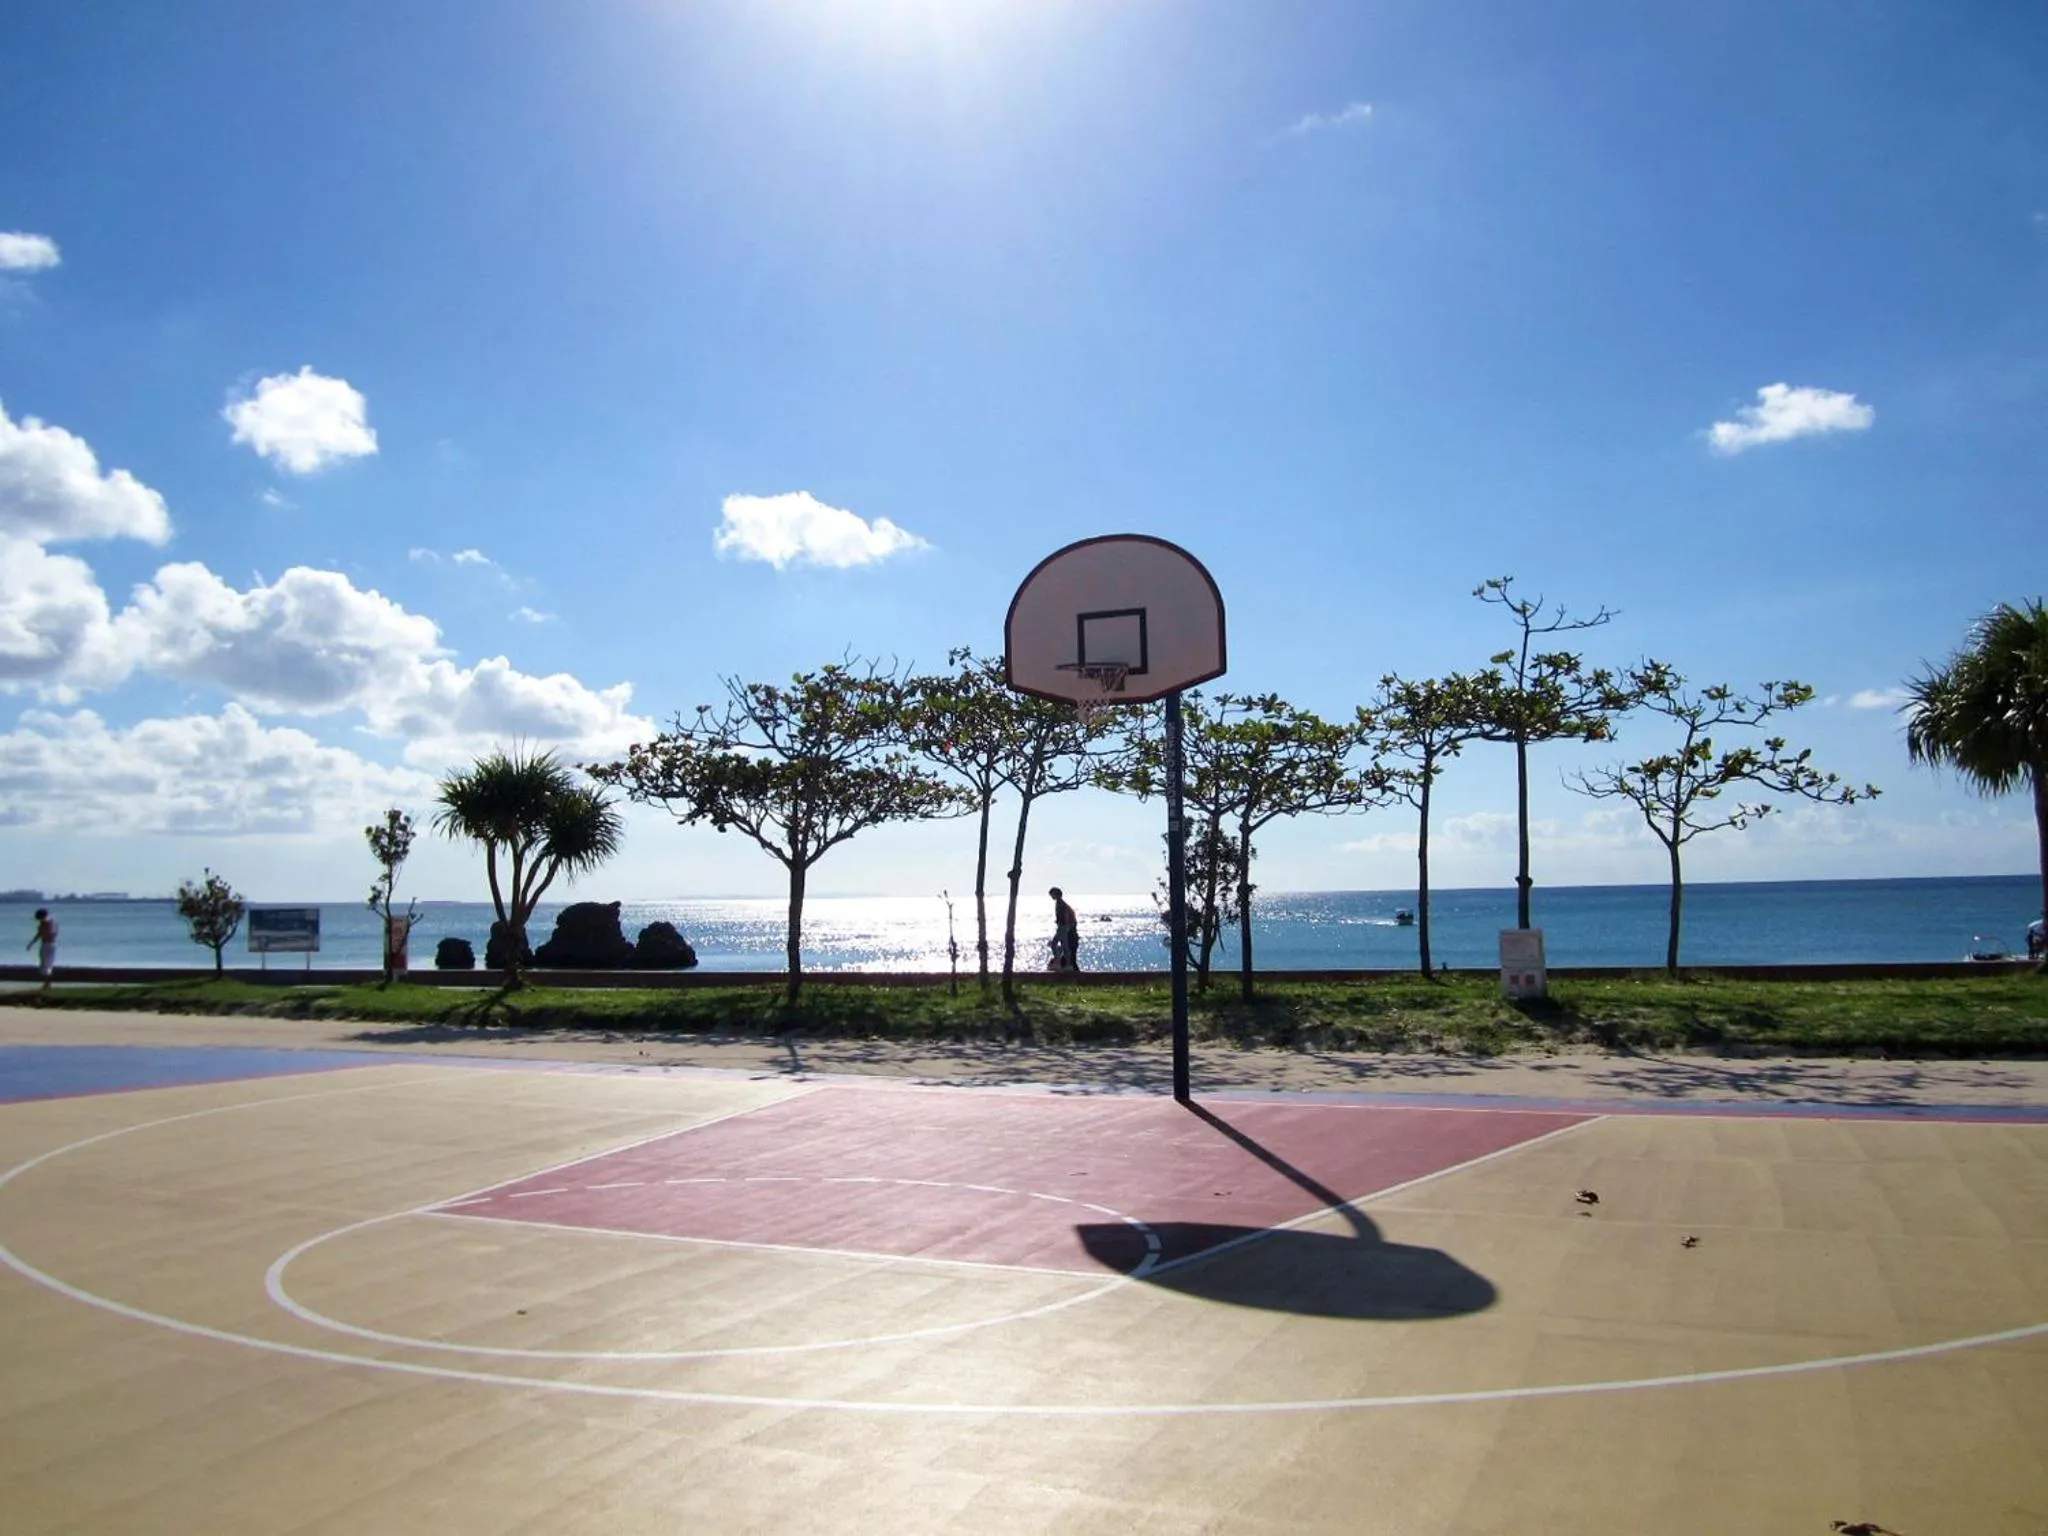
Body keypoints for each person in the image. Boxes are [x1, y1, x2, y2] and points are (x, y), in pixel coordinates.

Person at [1048, 887, 1080, 972]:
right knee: (1065, 946)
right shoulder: (1062, 904)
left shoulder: (1060, 904)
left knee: (1054, 944)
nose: (1051, 897)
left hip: (1063, 926)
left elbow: (1064, 916)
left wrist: (1062, 924)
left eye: (1052, 894)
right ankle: (1067, 964)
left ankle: (1057, 963)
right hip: (1064, 926)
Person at [25, 907, 57, 990]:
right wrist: (31, 943)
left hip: (47, 944)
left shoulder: (45, 923)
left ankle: (47, 983)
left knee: (45, 964)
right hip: (51, 944)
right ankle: (47, 983)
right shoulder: (52, 922)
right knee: (48, 963)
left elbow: (41, 934)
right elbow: (44, 934)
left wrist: (31, 943)